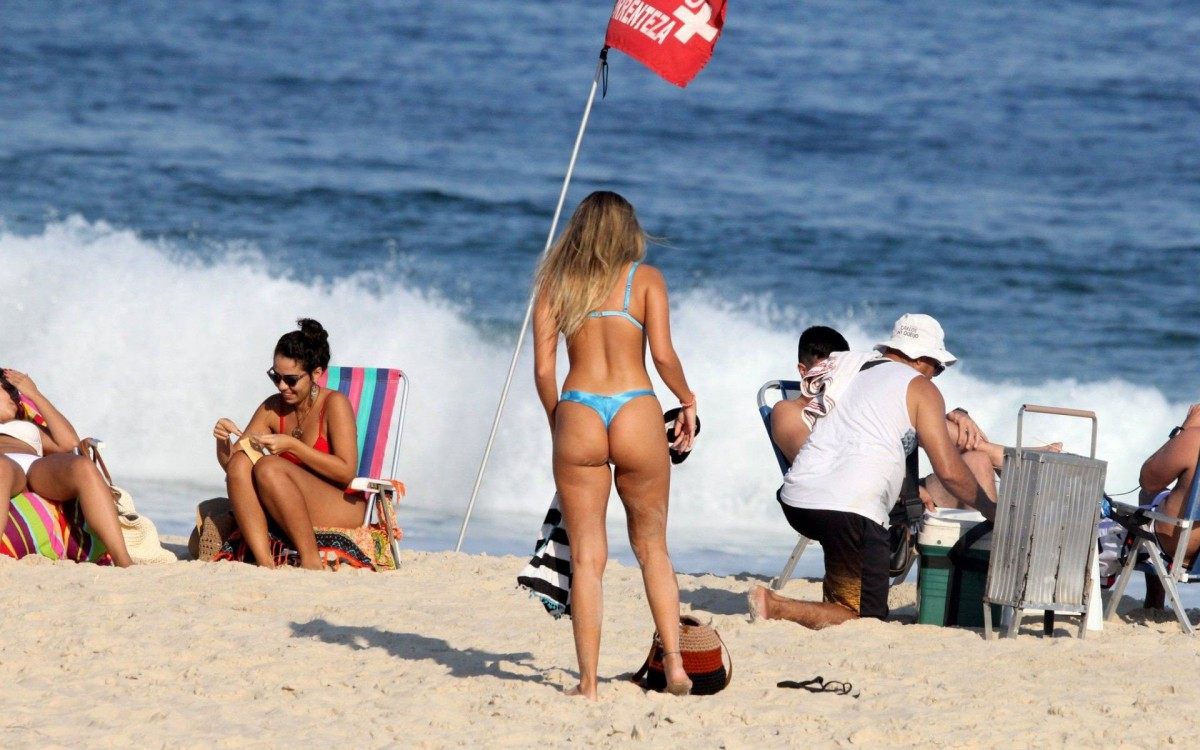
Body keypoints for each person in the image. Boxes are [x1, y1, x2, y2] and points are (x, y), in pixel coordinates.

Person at [532, 191, 697, 699]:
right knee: (653, 549)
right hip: (635, 408)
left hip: (580, 407)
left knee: (586, 557)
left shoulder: (555, 283)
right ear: (628, 230)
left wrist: (560, 420)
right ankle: (674, 667)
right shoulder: (644, 280)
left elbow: (543, 370)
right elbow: (663, 356)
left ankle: (587, 685)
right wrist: (687, 401)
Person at [748, 314, 993, 629]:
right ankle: (775, 606)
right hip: (851, 510)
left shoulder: (850, 369)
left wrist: (955, 414)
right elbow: (949, 471)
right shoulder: (920, 388)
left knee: (852, 581)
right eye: (939, 367)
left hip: (797, 500)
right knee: (865, 618)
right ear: (923, 359)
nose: (936, 375)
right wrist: (992, 510)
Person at [213, 319, 360, 571]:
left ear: (316, 373)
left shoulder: (335, 404)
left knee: (269, 466)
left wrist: (293, 446)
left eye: (291, 379)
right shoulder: (273, 407)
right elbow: (234, 471)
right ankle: (265, 564)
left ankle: (311, 561)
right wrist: (222, 443)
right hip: (290, 499)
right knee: (242, 461)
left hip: (340, 503)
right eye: (276, 377)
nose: (282, 386)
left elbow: (346, 472)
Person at [0, 369, 134, 567]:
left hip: (35, 468)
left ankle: (125, 562)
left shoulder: (24, 424)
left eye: (15, 391)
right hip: (4, 465)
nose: (15, 396)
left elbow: (69, 443)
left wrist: (34, 394)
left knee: (82, 466)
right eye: (8, 389)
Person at [1135, 403, 1200, 608]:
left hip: (1183, 547)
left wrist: (1184, 430)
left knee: (1149, 493)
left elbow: (1148, 479)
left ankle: (1155, 602)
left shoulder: (1195, 438)